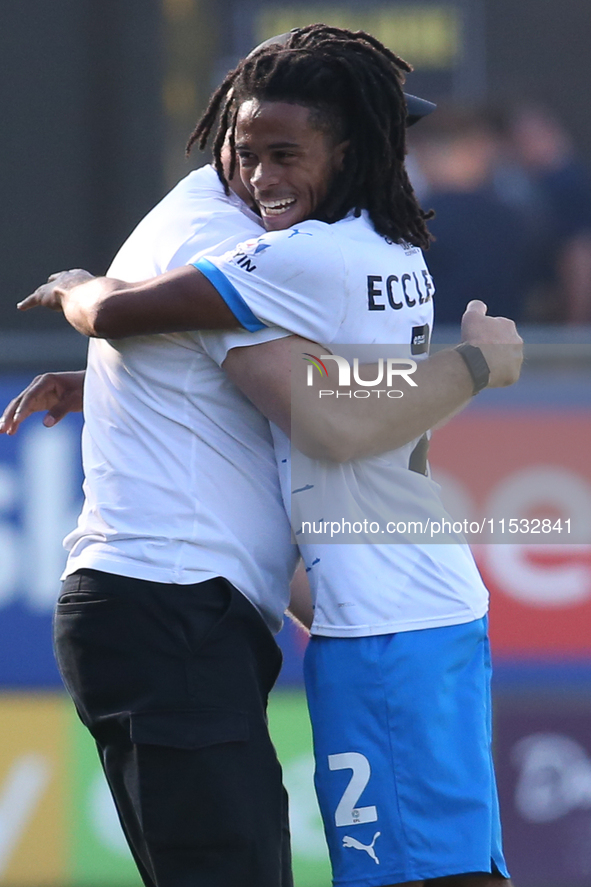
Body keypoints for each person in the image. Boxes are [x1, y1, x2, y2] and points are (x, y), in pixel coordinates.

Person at [7, 25, 523, 887]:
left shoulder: (295, 247)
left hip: (320, 620)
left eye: (287, 152)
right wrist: (477, 365)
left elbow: (302, 415)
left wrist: (85, 307)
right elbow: (326, 417)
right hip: (194, 613)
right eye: (253, 151)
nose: (261, 174)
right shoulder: (268, 247)